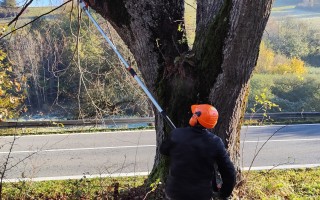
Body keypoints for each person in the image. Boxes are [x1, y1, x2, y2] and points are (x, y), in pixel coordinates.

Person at [160, 104, 236, 200]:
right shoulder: (215, 142)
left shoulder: (176, 134)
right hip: (202, 194)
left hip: (175, 192)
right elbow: (229, 171)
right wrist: (224, 193)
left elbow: (163, 150)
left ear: (195, 118)